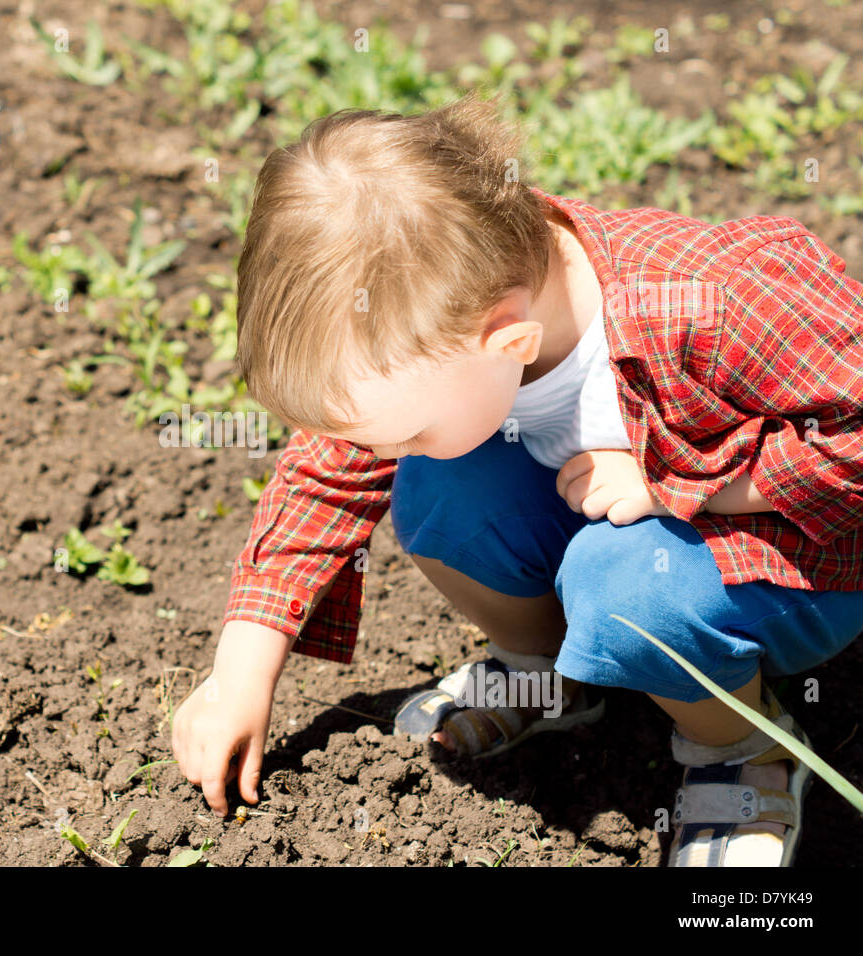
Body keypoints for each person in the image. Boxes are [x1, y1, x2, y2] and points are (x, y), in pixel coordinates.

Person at [170, 93, 863, 867]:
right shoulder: (444, 317)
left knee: (625, 588)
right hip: (614, 516)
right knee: (441, 491)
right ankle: (551, 678)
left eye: (403, 428)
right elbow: (328, 471)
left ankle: (743, 746)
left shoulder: (707, 304)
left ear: (512, 338)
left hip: (797, 563)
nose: (384, 447)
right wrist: (240, 674)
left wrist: (683, 485)